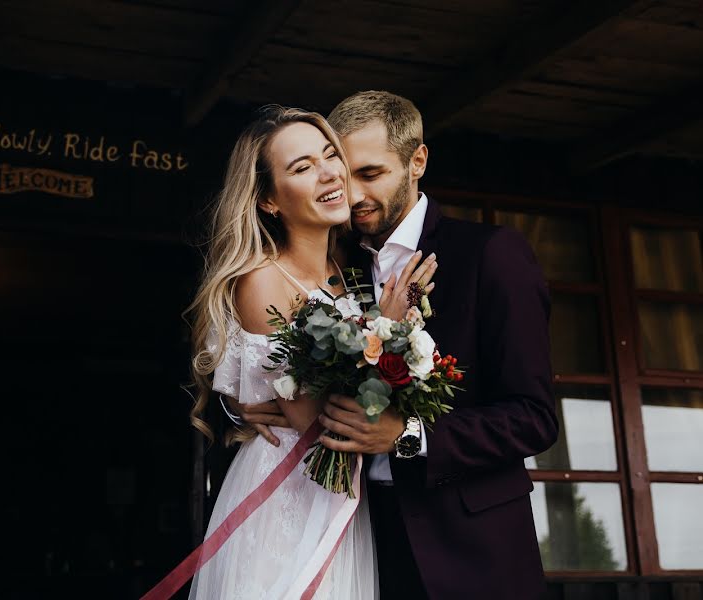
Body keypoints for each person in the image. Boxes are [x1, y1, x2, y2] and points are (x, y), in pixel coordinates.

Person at [226, 91, 558, 599]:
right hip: (363, 539)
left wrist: (407, 434)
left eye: (371, 174)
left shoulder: (491, 255)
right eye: (344, 170)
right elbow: (279, 361)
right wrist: (249, 402)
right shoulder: (336, 268)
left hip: (471, 550)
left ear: (417, 161)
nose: (351, 193)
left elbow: (534, 417)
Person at [185, 105, 434, 598]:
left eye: (329, 156)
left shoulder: (350, 275)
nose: (329, 173)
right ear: (268, 201)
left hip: (339, 500)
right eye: (301, 167)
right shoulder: (263, 281)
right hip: (286, 502)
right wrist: (387, 327)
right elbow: (319, 425)